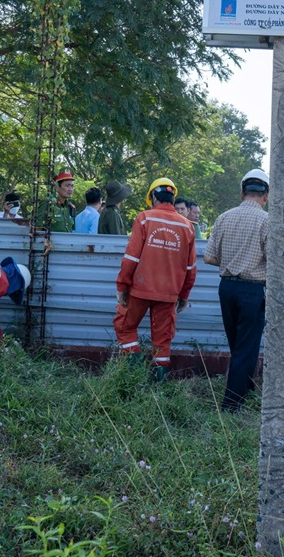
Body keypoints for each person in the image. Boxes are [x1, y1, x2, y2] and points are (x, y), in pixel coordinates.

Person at [113, 177, 197, 382]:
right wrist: (184, 296)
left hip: (139, 290)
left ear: (153, 197)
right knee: (162, 340)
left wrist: (122, 285)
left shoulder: (145, 218)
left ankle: (133, 373)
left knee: (124, 326)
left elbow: (131, 257)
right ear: (172, 197)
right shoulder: (187, 226)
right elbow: (190, 268)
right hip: (169, 294)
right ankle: (159, 386)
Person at [203, 169, 270, 411]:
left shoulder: (223, 218)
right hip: (253, 290)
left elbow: (208, 257)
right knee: (246, 347)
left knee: (237, 344)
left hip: (227, 287)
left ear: (242, 192)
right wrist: (247, 263)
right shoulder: (267, 221)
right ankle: (231, 404)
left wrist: (232, 263)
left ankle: (246, 387)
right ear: (266, 195)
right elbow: (273, 260)